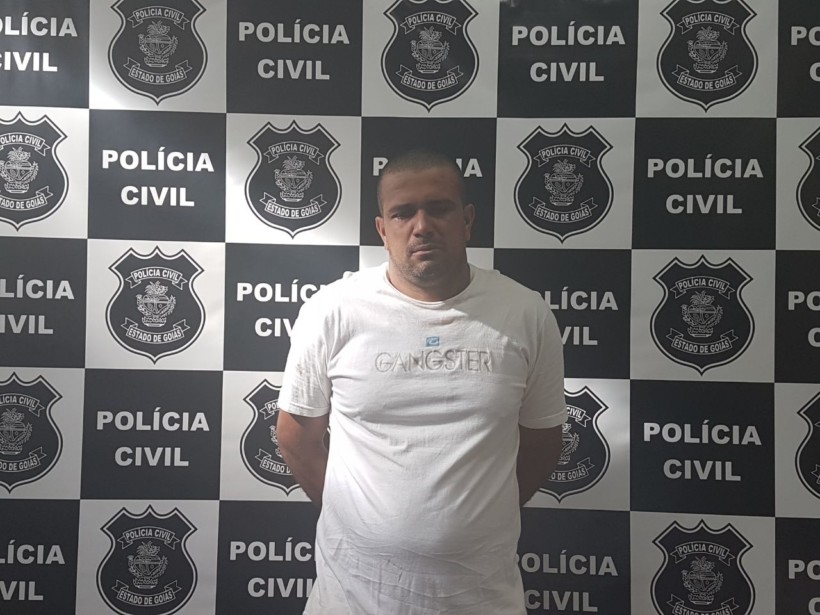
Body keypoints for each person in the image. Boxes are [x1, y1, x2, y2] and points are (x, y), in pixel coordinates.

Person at [277, 149, 566, 614]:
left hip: (481, 600)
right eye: (403, 213)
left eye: (439, 209)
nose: (422, 226)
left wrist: (474, 522)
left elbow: (542, 442)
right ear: (382, 230)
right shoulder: (332, 310)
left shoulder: (525, 313)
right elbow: (297, 437)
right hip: (351, 600)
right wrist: (359, 522)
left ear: (467, 220)